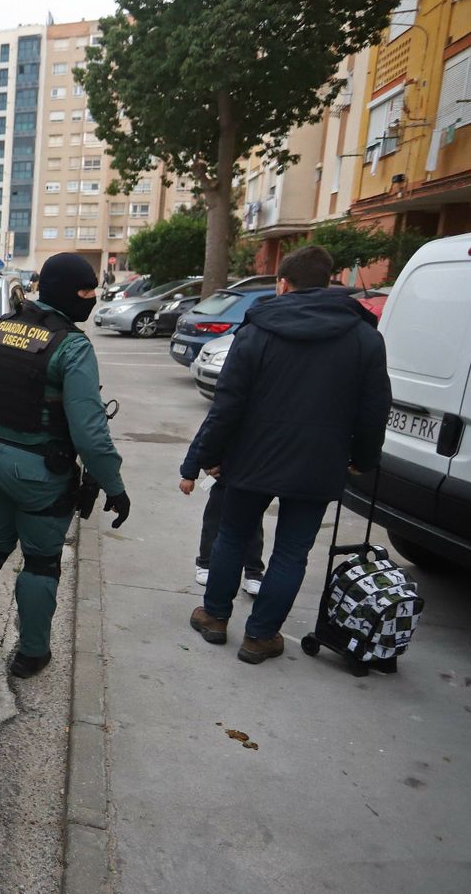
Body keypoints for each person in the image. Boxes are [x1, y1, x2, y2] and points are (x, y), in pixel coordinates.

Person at [182, 246, 390, 663]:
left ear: (282, 283)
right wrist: (363, 458)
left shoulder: (256, 331)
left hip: (249, 459)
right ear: (331, 280)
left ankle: (215, 617)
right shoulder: (365, 337)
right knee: (292, 552)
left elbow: (228, 405)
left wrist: (205, 457)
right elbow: (374, 409)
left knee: (231, 536)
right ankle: (260, 637)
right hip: (319, 464)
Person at [0, 253, 129, 678]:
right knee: (40, 564)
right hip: (39, 473)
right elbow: (90, 431)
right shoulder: (72, 346)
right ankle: (31, 654)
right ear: (69, 292)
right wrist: (114, 485)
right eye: (87, 291)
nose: (92, 298)